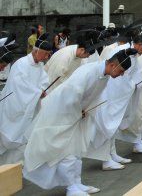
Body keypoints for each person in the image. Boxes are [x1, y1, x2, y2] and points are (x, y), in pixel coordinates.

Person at [23, 50, 131, 196]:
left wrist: (83, 111)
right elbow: (70, 96)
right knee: (66, 152)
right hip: (61, 114)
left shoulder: (104, 75)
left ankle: (76, 183)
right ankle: (71, 188)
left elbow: (91, 97)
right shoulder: (88, 72)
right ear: (112, 65)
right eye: (121, 70)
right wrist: (79, 111)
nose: (122, 74)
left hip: (76, 116)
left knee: (77, 150)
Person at [0, 35, 51, 165]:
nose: (46, 58)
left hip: (29, 108)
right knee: (11, 136)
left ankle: (17, 168)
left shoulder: (39, 66)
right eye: (45, 54)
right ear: (36, 51)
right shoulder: (21, 64)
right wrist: (37, 93)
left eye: (48, 55)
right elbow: (18, 86)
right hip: (15, 108)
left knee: (24, 138)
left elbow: (44, 81)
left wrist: (43, 91)